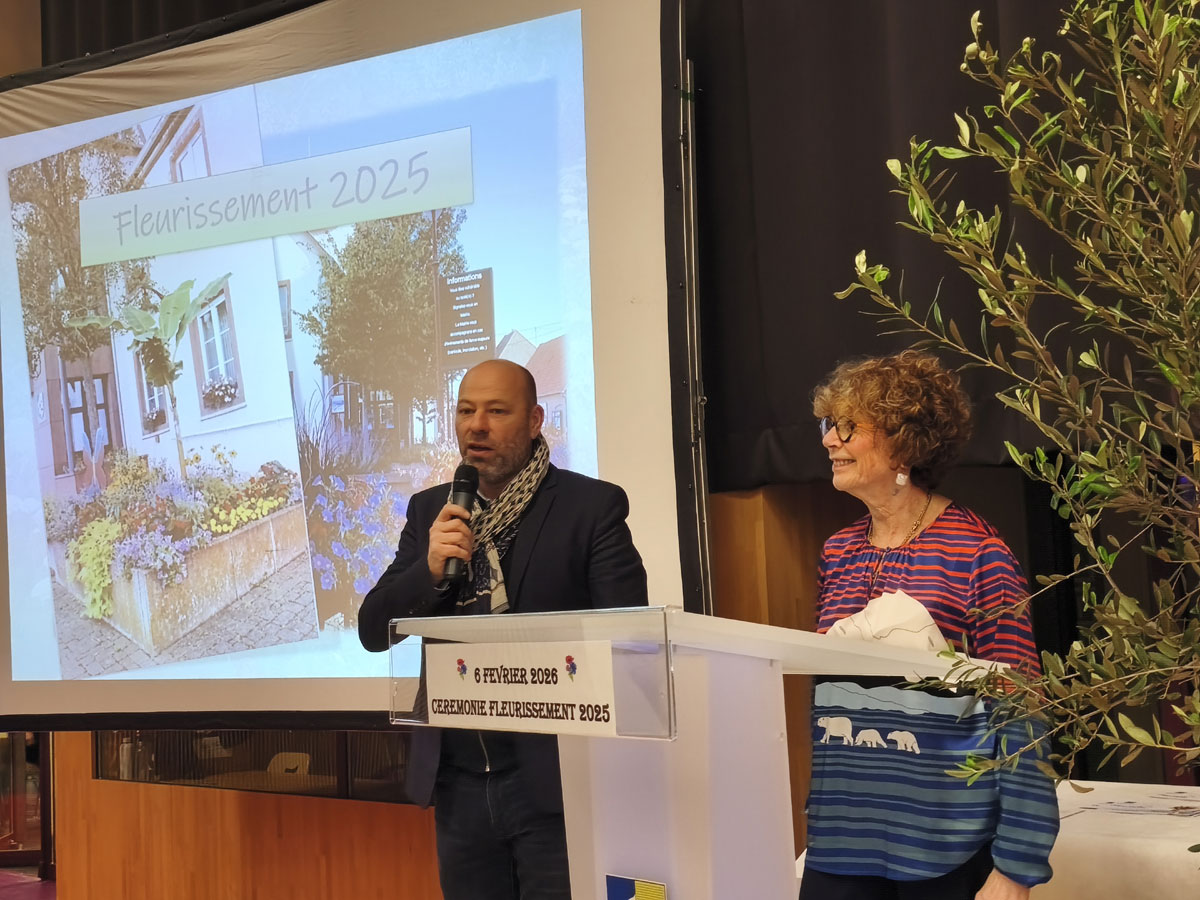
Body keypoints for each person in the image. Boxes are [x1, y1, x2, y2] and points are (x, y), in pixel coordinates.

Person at [359, 358, 648, 900]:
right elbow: (374, 629)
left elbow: (630, 641)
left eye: (496, 411)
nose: (477, 426)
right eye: (466, 411)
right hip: (459, 786)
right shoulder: (431, 512)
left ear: (535, 420)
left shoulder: (591, 508)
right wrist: (428, 569)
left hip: (555, 786)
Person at [798, 351, 1059, 900]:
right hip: (841, 842)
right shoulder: (838, 552)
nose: (829, 441)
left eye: (847, 427)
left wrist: (1017, 866)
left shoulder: (977, 553)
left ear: (904, 442)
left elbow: (1022, 711)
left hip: (945, 850)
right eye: (828, 426)